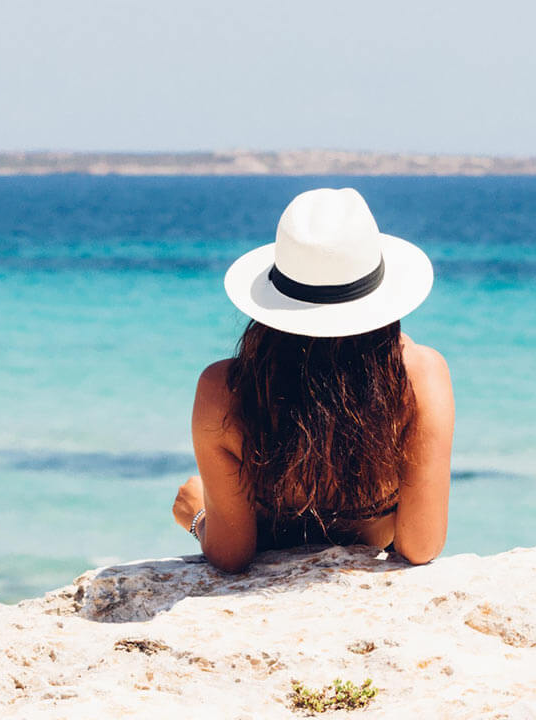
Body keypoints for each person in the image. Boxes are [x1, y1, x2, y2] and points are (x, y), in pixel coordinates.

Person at [172, 188, 454, 572]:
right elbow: (421, 546)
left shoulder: (225, 389)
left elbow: (232, 555)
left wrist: (197, 514)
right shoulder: (419, 377)